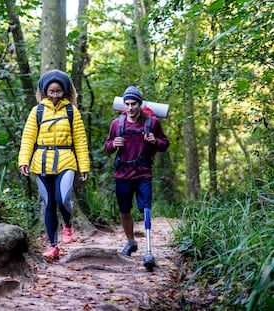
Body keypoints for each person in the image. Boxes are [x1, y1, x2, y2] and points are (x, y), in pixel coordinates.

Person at [18, 69, 90, 259]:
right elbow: (28, 138)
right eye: (52, 92)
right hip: (41, 161)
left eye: (58, 91)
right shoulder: (37, 111)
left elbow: (80, 140)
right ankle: (53, 246)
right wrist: (23, 160)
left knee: (63, 198)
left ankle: (67, 223)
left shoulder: (71, 111)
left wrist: (84, 166)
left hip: (66, 159)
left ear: (65, 91)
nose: (55, 95)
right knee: (49, 203)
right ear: (44, 92)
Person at [104, 86, 170, 257]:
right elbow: (108, 147)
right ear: (123, 105)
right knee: (124, 210)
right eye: (127, 104)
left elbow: (165, 143)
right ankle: (131, 242)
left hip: (143, 172)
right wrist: (113, 144)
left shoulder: (151, 123)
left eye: (133, 104)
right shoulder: (117, 124)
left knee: (146, 207)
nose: (130, 107)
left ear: (139, 104)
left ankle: (148, 250)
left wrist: (155, 141)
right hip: (123, 173)